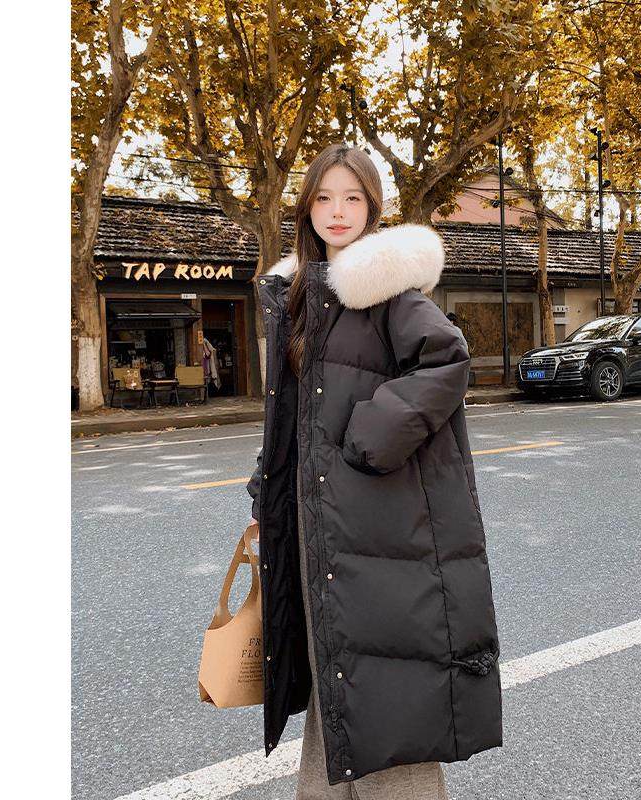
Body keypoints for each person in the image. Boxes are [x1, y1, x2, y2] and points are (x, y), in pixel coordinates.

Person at [245, 143, 502, 799]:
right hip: (316, 521)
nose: (338, 211)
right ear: (307, 208)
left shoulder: (384, 288)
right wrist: (265, 492)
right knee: (335, 672)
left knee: (383, 685)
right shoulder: (301, 292)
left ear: (372, 207)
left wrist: (366, 439)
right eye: (325, 197)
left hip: (376, 521)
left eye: (352, 198)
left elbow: (447, 360)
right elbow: (294, 415)